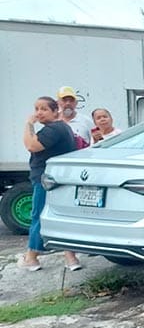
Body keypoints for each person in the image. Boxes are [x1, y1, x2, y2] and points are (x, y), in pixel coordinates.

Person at [18, 96, 81, 272]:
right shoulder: (63, 128)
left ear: (55, 111)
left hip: (46, 179)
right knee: (60, 216)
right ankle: (71, 258)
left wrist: (28, 124)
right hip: (61, 178)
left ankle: (31, 257)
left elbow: (31, 146)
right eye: (36, 109)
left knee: (39, 215)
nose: (38, 113)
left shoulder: (53, 129)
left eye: (44, 109)